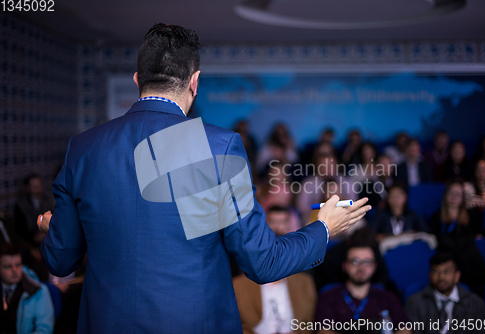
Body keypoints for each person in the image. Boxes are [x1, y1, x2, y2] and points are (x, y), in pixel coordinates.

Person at [36, 24, 371, 333]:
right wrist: (324, 227)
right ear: (194, 81)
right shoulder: (216, 147)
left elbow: (60, 259)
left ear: (138, 79)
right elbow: (262, 262)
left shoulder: (83, 148)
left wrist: (52, 229)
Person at [233, 206, 317, 334]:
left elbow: (309, 324)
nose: (278, 226)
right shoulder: (239, 286)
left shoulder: (304, 282)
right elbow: (234, 326)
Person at [314, 238, 410, 334]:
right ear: (345, 265)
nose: (361, 267)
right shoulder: (328, 297)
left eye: (367, 262)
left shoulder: (387, 297)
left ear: (374, 266)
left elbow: (405, 329)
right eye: (355, 261)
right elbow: (323, 331)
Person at [405, 252, 485, 334]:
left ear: (456, 276)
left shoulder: (475, 303)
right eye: (436, 272)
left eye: (447, 272)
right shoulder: (414, 302)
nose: (441, 277)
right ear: (429, 275)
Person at [0, 243, 54, 334]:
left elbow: (44, 330)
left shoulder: (38, 291)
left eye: (18, 265)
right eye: (8, 266)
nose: (14, 270)